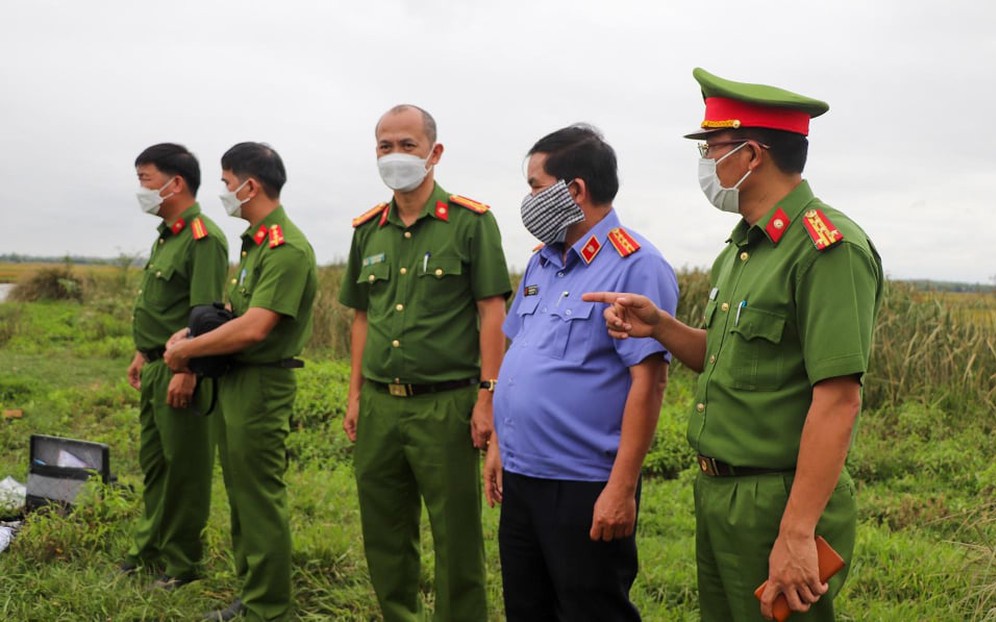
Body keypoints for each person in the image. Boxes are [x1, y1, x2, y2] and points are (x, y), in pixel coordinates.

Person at [584, 68, 884, 621]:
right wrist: (662, 326)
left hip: (778, 501)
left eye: (712, 147)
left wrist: (796, 532)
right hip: (720, 495)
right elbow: (727, 358)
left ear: (750, 155)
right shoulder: (743, 247)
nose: (705, 162)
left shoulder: (827, 249)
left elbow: (839, 398)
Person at [484, 124, 679, 621]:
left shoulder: (637, 265)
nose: (527, 198)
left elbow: (649, 381)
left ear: (574, 190)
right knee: (527, 609)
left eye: (534, 185)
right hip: (523, 477)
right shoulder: (542, 264)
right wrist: (500, 445)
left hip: (584, 483)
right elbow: (520, 357)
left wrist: (621, 488)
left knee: (591, 610)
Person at [339, 104, 511, 622]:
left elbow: (491, 312)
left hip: (446, 406)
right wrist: (353, 396)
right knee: (384, 532)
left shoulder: (470, 223)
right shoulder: (368, 230)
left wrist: (488, 396)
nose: (395, 156)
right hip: (379, 405)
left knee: (456, 536)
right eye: (385, 146)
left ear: (433, 153)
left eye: (407, 145)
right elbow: (362, 318)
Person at [164, 142, 317, 622]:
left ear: (250, 186)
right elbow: (233, 315)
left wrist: (185, 353)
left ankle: (269, 608)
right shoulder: (256, 243)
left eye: (228, 183)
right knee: (240, 493)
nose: (225, 192)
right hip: (236, 382)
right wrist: (191, 332)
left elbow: (256, 327)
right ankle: (252, 593)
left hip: (262, 385)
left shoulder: (286, 248)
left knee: (258, 496)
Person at [124, 143, 228, 590]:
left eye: (145, 179)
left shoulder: (203, 238)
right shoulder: (167, 235)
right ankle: (148, 548)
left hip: (180, 369)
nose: (141, 190)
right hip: (154, 365)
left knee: (184, 469)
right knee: (155, 465)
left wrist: (187, 370)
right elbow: (162, 306)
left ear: (175, 183)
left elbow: (203, 315)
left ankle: (182, 565)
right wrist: (142, 352)